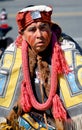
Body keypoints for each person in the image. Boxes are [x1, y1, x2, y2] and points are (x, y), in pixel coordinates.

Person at [0, 4, 82, 130]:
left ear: (50, 28)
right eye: (32, 30)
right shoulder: (13, 55)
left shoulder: (67, 51)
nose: (39, 35)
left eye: (43, 28)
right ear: (22, 34)